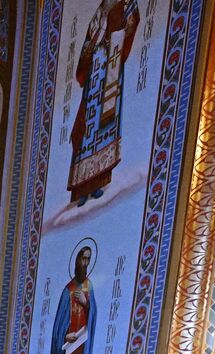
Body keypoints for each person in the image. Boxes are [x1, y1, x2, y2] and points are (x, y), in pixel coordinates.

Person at [68, 0, 141, 204]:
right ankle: (81, 190)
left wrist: (116, 35)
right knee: (86, 132)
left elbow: (133, 21)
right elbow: (88, 42)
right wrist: (91, 50)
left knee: (104, 127)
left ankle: (98, 182)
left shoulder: (127, 4)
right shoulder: (100, 11)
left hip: (111, 65)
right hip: (95, 72)